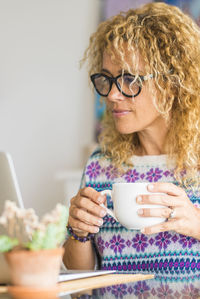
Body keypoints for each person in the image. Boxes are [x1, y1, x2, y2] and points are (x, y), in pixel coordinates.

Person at [63, 2, 200, 282]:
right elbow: (80, 283)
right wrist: (78, 232)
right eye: (107, 79)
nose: (112, 95)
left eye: (129, 79)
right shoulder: (100, 165)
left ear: (172, 84)